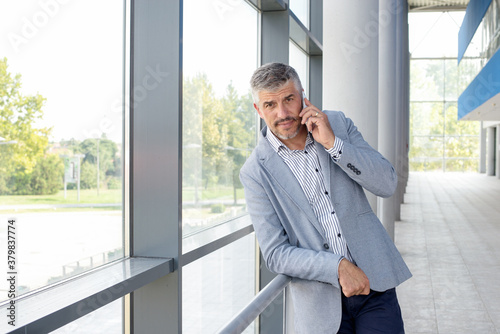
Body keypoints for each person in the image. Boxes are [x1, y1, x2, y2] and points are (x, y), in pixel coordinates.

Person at [239, 62, 412, 333]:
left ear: (303, 96)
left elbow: (387, 183)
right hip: (320, 305)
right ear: (258, 110)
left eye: (289, 99)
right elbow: (275, 253)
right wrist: (338, 267)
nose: (282, 113)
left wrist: (333, 144)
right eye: (270, 105)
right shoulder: (255, 172)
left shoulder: (338, 124)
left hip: (374, 286)